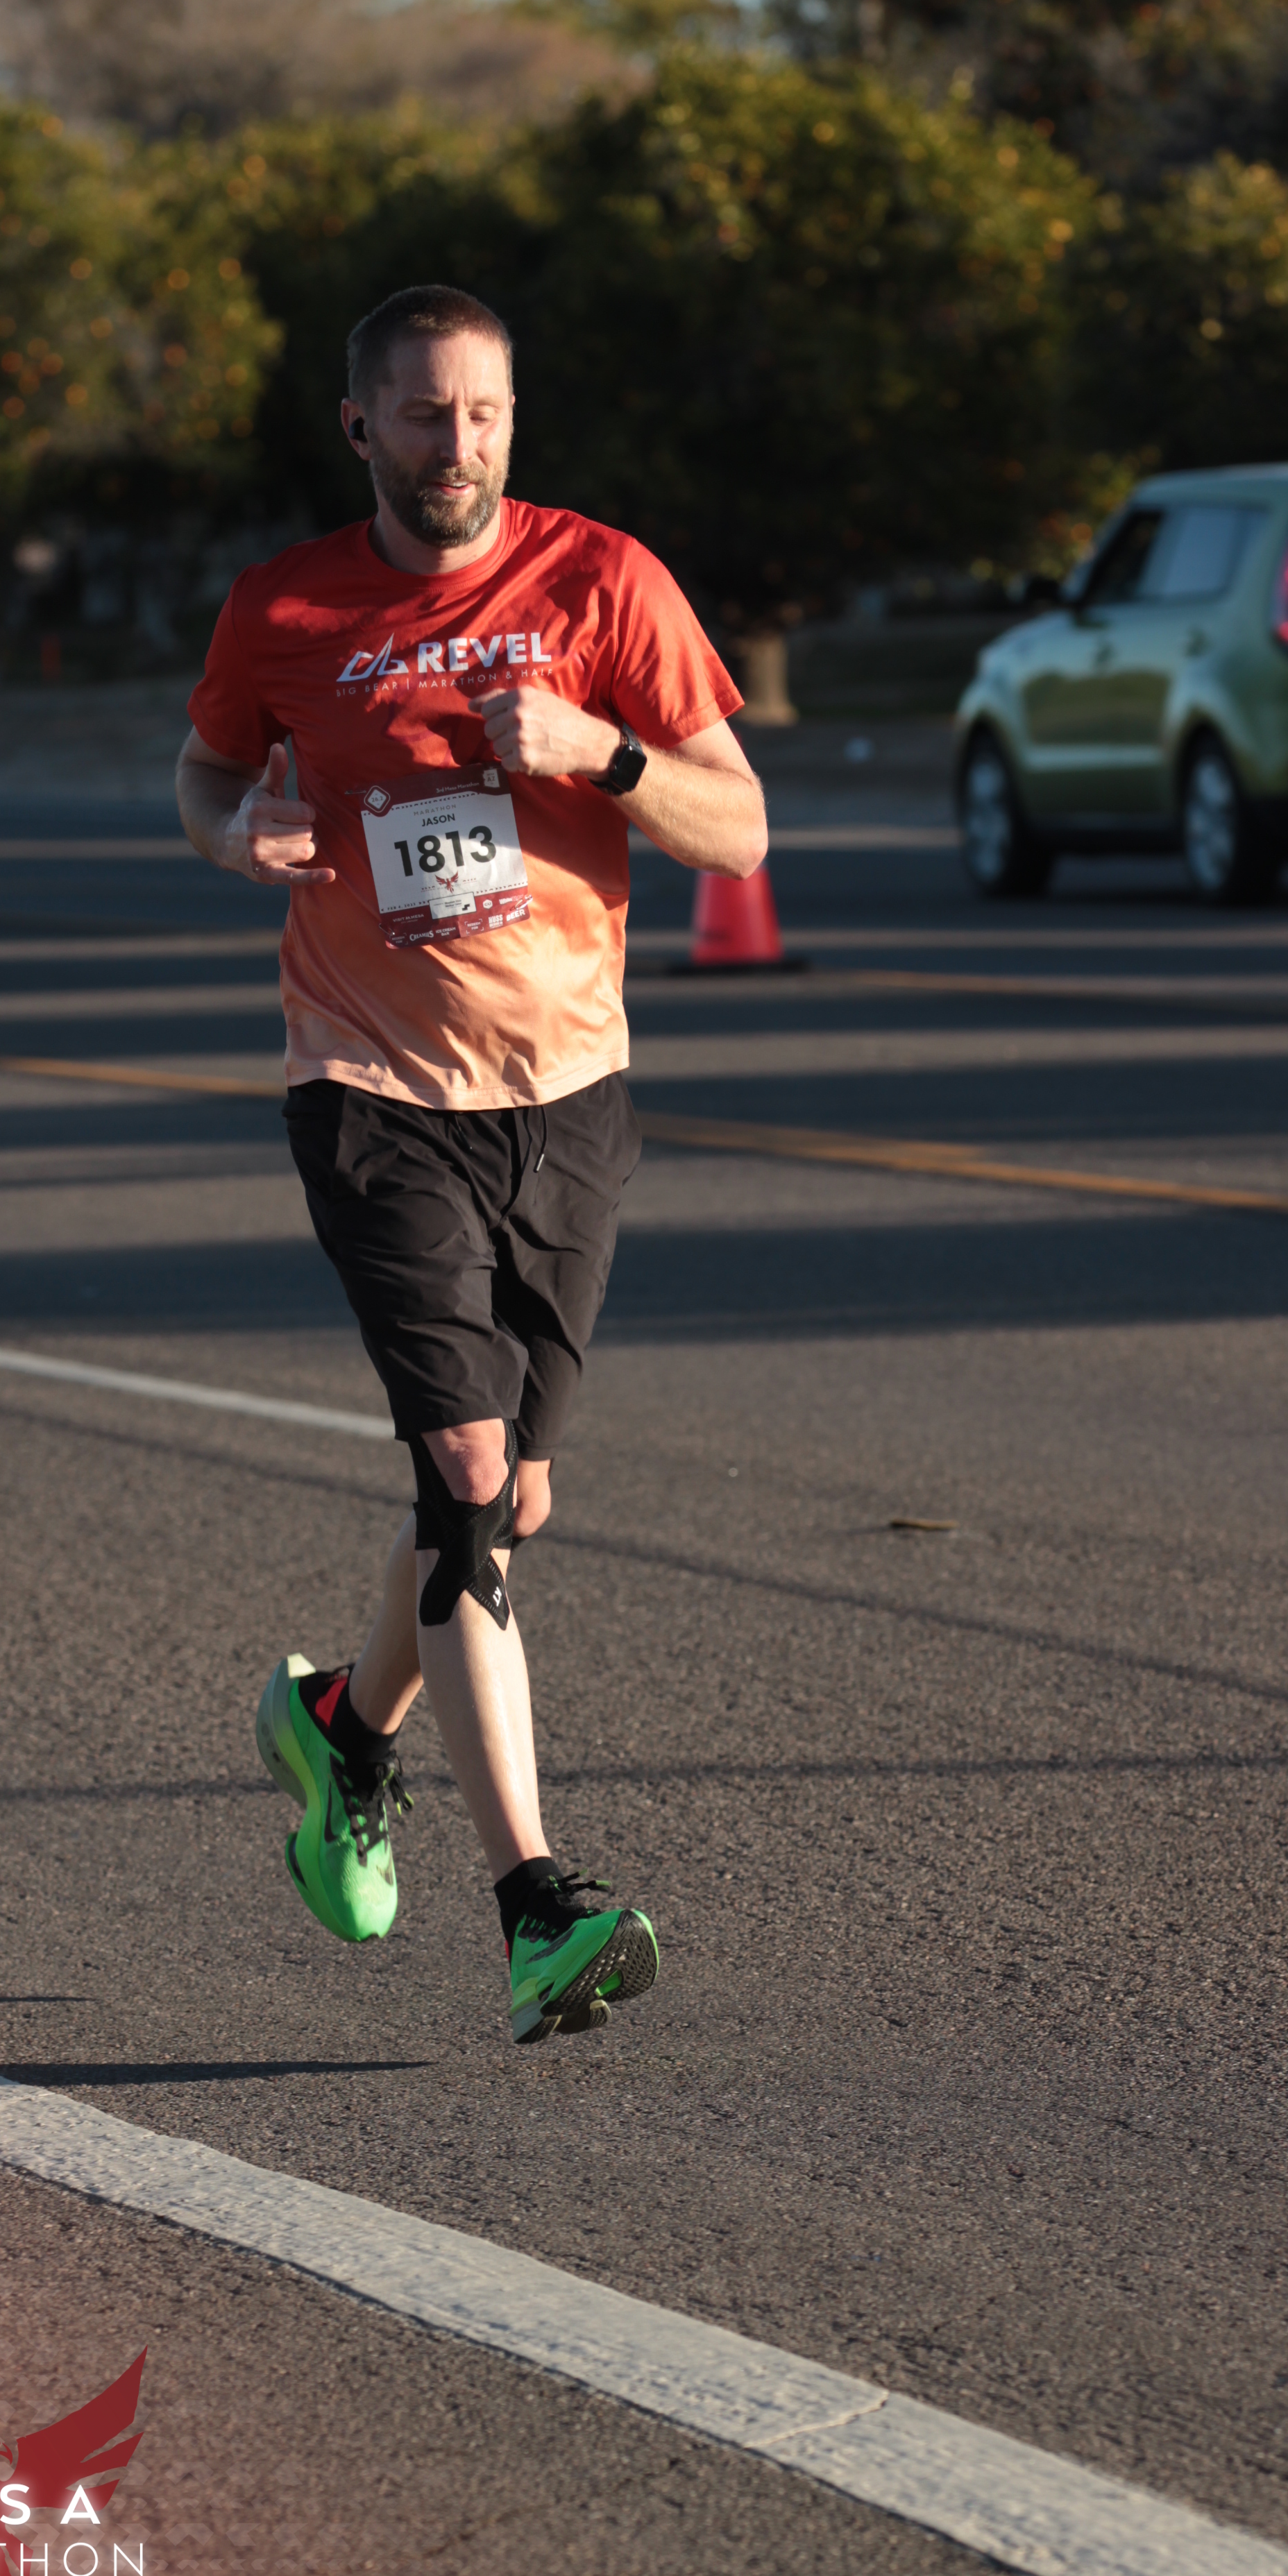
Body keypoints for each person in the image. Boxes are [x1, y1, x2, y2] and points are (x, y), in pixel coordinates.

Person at [176, 283, 766, 2044]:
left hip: (567, 1088)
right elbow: (204, 778)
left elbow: (738, 829)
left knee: (507, 1504)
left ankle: (343, 1730)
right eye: (425, 415)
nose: (460, 445)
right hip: (368, 1085)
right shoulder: (283, 607)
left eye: (485, 412)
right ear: (359, 425)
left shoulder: (606, 584)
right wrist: (238, 835)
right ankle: (533, 1905)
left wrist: (603, 752)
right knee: (463, 1464)